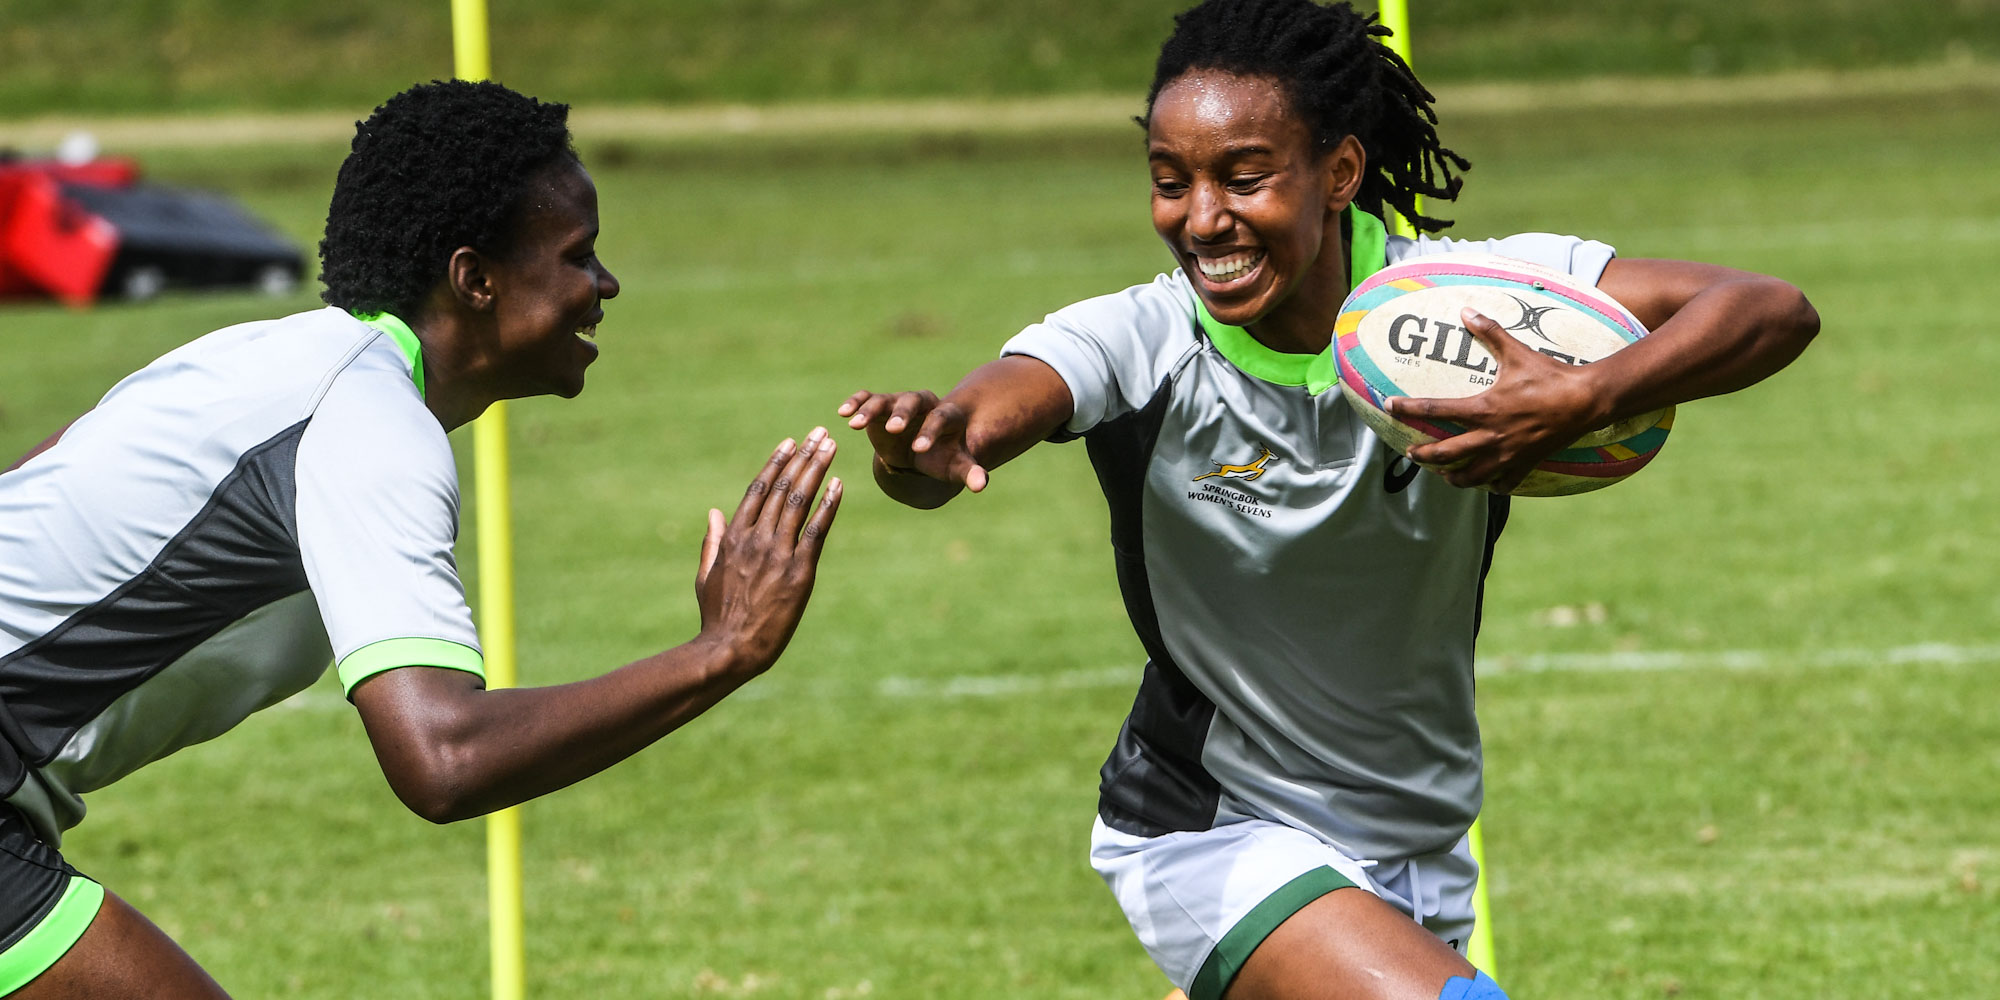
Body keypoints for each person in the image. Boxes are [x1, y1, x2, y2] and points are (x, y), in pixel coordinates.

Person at [836, 2, 1818, 998]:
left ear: (1338, 173)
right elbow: (995, 408)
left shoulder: (1459, 303)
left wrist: (1587, 392)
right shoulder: (1139, 341)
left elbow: (1770, 309)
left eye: (1243, 176)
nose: (1201, 217)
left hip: (1413, 835)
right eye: (1169, 183)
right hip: (1215, 828)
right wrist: (935, 439)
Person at [0, 80, 843, 998]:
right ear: (474, 278)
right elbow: (444, 758)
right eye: (577, 256)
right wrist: (723, 652)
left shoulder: (266, 356)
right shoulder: (364, 423)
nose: (603, 286)